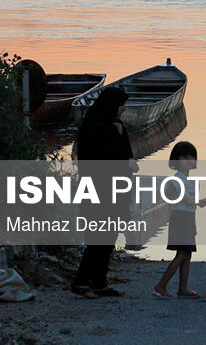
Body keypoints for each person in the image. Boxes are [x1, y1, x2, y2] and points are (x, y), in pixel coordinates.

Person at [70, 86, 135, 299]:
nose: (123, 111)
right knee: (98, 237)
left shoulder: (114, 127)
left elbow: (126, 155)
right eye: (121, 106)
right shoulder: (93, 127)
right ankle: (81, 282)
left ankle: (99, 281)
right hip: (97, 190)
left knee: (109, 236)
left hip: (116, 190)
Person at [153, 141, 206, 299]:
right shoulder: (177, 179)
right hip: (180, 218)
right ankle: (161, 285)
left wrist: (201, 202)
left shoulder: (188, 180)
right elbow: (167, 195)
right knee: (182, 254)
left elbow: (192, 203)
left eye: (192, 157)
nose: (189, 160)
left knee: (187, 254)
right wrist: (184, 199)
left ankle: (182, 288)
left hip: (188, 218)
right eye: (184, 157)